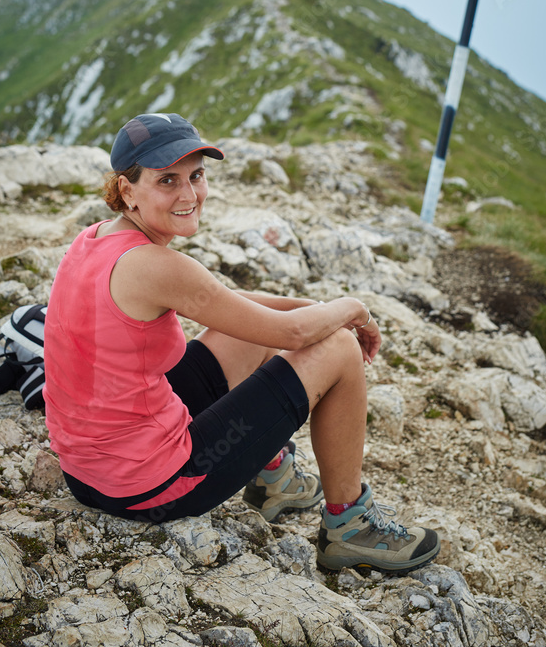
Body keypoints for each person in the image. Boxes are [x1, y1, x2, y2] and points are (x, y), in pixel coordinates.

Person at [43, 113, 440, 574]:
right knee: (339, 350)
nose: (189, 195)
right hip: (149, 486)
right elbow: (291, 335)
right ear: (127, 190)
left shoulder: (95, 239)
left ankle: (272, 474)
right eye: (167, 180)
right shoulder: (155, 266)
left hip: (87, 473)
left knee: (246, 333)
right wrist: (352, 309)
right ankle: (349, 525)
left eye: (196, 176)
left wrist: (315, 308)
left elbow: (230, 306)